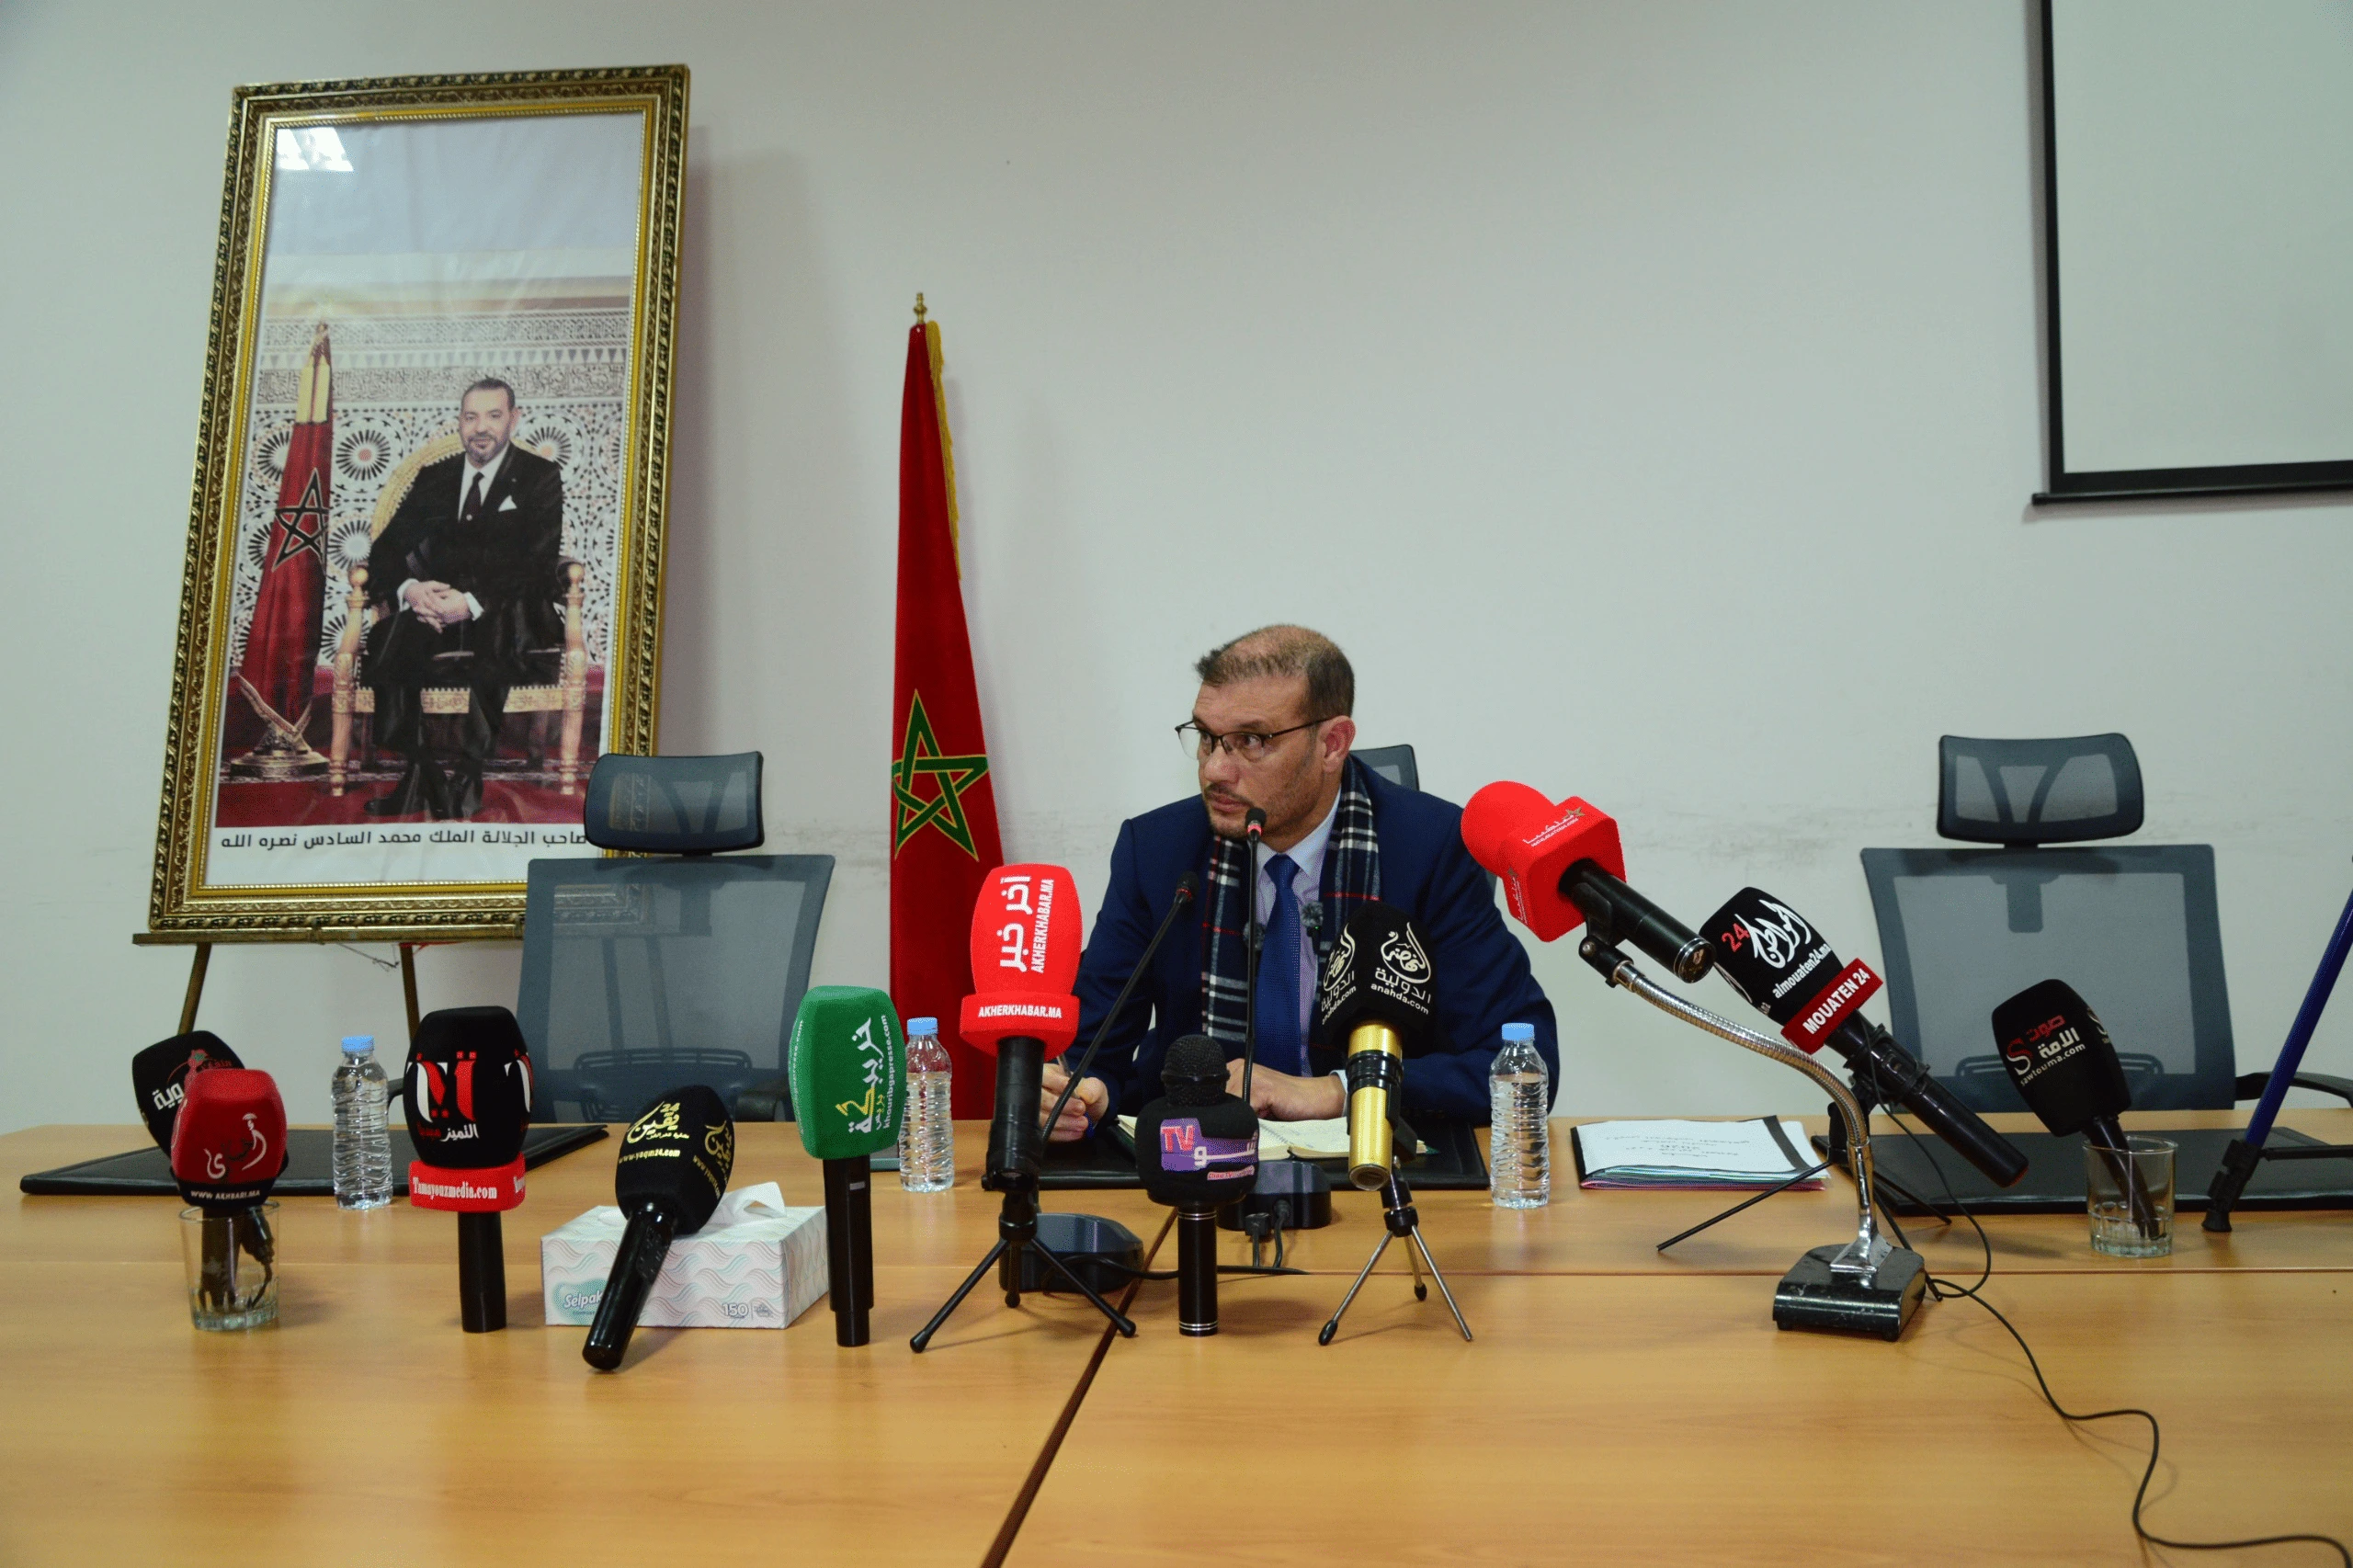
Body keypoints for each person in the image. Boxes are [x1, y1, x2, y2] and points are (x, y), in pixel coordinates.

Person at [1046, 625, 1557, 1141]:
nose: (1215, 770)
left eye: (1251, 741)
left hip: (1377, 1159)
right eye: (1206, 737)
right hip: (1200, 1152)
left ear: (1332, 744)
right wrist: (1083, 1093)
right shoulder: (1159, 851)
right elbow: (1091, 1050)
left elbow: (1521, 1065)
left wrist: (1339, 1090)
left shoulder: (1429, 848)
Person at [360, 378, 564, 819]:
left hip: (509, 609)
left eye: (493, 415)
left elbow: (537, 564)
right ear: (459, 422)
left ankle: (470, 772)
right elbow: (385, 551)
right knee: (385, 639)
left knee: (498, 629)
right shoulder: (435, 478)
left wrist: (470, 602)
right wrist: (412, 592)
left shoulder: (539, 477)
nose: (480, 427)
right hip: (436, 610)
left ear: (513, 419)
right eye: (471, 417)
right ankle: (420, 771)